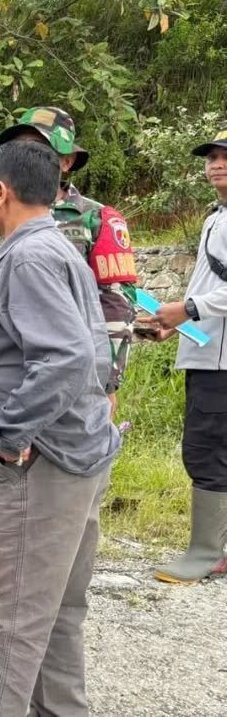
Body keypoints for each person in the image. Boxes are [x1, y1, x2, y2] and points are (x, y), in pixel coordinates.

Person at [0, 139, 119, 716]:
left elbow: (65, 358)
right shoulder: (58, 247)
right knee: (56, 612)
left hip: (41, 466)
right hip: (77, 454)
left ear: (1, 192)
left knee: (9, 621)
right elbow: (86, 352)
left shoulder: (27, 258)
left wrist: (11, 436)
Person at [0, 106, 135, 537]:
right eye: (20, 146)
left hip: (57, 389)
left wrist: (107, 382)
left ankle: (29, 574)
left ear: (67, 160)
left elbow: (114, 309)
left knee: (48, 503)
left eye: (42, 148)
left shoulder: (97, 220)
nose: (29, 154)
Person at [140, 128, 227, 584]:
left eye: (225, 158)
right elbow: (208, 287)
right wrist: (176, 324)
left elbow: (204, 298)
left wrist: (187, 310)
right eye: (211, 157)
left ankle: (207, 552)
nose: (217, 164)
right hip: (207, 350)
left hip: (221, 363)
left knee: (207, 449)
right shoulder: (216, 218)